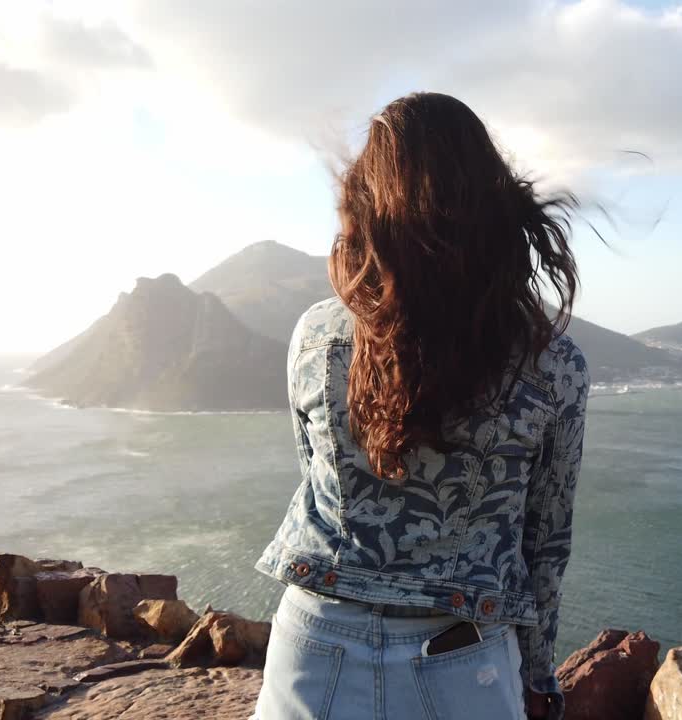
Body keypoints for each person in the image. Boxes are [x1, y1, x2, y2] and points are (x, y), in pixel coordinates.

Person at [252, 92, 590, 720]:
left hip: (312, 645)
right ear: (492, 205)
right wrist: (541, 676)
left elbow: (315, 476)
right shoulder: (554, 366)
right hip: (463, 664)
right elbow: (545, 542)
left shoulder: (317, 337)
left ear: (366, 205)